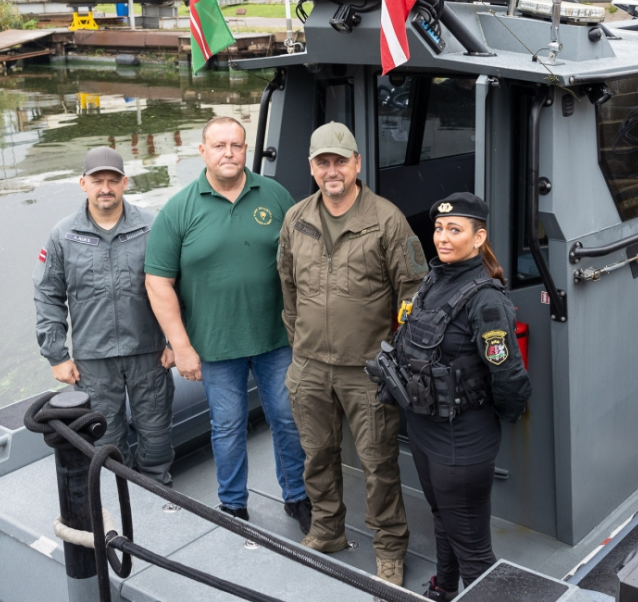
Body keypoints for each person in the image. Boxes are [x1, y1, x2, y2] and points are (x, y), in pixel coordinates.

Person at [278, 121, 428, 586]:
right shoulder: (296, 218)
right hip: (309, 366)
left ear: (357, 164)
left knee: (378, 464)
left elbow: (414, 292)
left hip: (367, 370)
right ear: (311, 167)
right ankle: (327, 531)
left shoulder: (387, 219)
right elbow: (288, 289)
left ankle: (389, 548)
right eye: (323, 162)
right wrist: (301, 345)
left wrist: (394, 356)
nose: (332, 170)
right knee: (316, 456)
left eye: (340, 161)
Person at [144, 117, 312, 531]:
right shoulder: (179, 209)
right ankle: (233, 505)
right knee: (229, 426)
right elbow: (158, 281)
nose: (229, 154)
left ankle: (297, 495)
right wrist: (180, 345)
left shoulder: (274, 196)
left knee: (287, 419)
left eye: (236, 145)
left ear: (245, 149)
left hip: (275, 339)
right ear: (202, 151)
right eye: (219, 146)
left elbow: (301, 261)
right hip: (216, 346)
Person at [379, 192, 530, 601]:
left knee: (475, 552)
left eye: (455, 230)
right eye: (439, 228)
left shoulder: (486, 300)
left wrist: (486, 420)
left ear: (479, 238)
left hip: (461, 441)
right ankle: (445, 587)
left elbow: (510, 377)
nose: (442, 238)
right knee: (442, 519)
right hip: (427, 431)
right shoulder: (433, 279)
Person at [34, 146, 175, 483]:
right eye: (98, 181)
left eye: (113, 180)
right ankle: (119, 500)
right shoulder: (63, 236)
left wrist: (175, 341)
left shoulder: (153, 227)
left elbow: (178, 287)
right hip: (93, 361)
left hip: (149, 354)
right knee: (106, 441)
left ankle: (158, 493)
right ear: (83, 183)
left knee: (156, 437)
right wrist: (56, 354)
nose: (106, 188)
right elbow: (48, 296)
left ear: (125, 182)